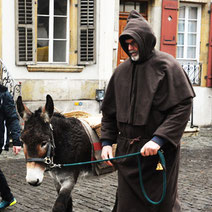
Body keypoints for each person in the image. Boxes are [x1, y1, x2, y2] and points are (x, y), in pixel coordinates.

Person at [100, 10, 195, 212]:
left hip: (158, 154)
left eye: (134, 42)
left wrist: (158, 140)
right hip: (128, 155)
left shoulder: (168, 66)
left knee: (160, 205)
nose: (130, 47)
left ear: (145, 40)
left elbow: (182, 106)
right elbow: (109, 112)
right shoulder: (120, 72)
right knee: (126, 206)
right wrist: (107, 143)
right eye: (127, 43)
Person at [0, 83, 22, 209]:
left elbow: (12, 118)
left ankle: (8, 198)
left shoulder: (4, 94)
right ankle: (8, 197)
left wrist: (16, 140)